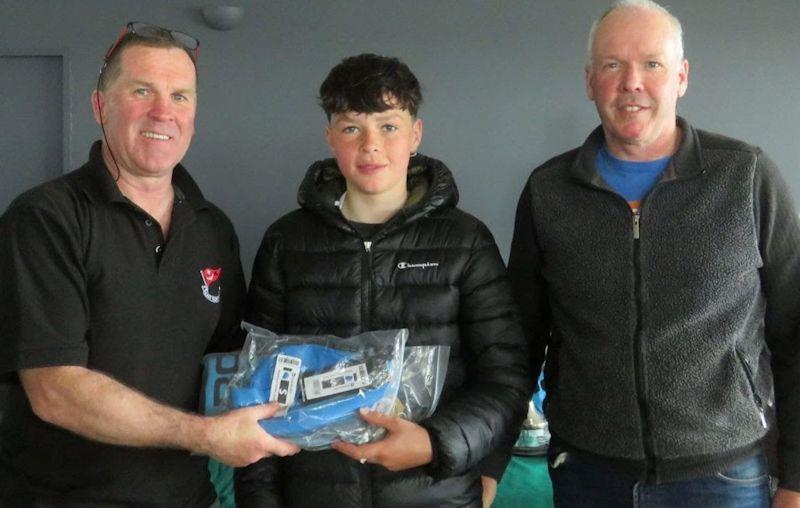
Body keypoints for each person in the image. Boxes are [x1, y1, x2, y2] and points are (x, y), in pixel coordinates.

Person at [508, 1, 800, 506]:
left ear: (682, 77)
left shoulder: (746, 177)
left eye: (652, 64)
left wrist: (796, 479)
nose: (632, 82)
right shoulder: (548, 191)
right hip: (587, 475)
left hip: (724, 475)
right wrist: (491, 459)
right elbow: (519, 341)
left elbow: (796, 333)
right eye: (613, 64)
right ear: (590, 80)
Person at [0, 22, 298, 506]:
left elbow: (230, 364)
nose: (164, 111)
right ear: (100, 106)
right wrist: (204, 436)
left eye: (181, 96)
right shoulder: (46, 218)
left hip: (187, 497)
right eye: (142, 90)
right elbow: (55, 388)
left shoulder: (211, 228)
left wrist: (337, 403)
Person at [234, 53, 532, 507]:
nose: (371, 145)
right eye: (352, 127)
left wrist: (437, 444)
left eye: (389, 126)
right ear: (330, 137)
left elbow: (506, 380)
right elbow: (254, 392)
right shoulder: (286, 242)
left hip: (435, 494)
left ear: (415, 134)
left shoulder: (466, 241)